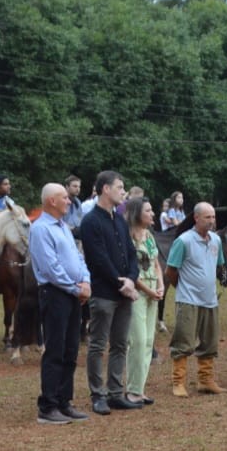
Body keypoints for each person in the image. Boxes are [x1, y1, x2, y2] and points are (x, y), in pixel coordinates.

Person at [29, 183, 91, 424]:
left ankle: (64, 401)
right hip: (55, 294)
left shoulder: (64, 227)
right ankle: (48, 405)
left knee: (70, 349)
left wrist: (85, 281)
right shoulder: (41, 229)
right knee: (55, 349)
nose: (69, 201)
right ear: (52, 201)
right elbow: (50, 268)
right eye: (64, 197)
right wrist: (75, 288)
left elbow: (78, 257)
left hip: (73, 293)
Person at [81, 170, 141, 414]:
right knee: (98, 345)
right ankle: (98, 395)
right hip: (105, 293)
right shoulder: (90, 221)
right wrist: (122, 283)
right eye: (119, 187)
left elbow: (131, 254)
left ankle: (116, 392)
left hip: (124, 292)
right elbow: (98, 260)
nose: (123, 191)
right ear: (105, 189)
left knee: (119, 344)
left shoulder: (119, 220)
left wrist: (132, 279)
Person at [166, 202, 225, 397]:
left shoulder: (216, 240)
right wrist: (182, 288)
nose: (212, 221)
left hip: (210, 300)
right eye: (207, 217)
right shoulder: (183, 241)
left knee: (210, 341)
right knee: (184, 340)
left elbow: (219, 266)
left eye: (213, 217)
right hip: (188, 300)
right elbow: (171, 271)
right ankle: (178, 382)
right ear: (196, 218)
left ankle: (205, 380)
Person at [123, 197, 163, 406]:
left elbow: (156, 264)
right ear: (138, 213)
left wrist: (161, 285)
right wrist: (149, 289)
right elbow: (131, 271)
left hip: (153, 291)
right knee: (137, 341)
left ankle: (140, 388)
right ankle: (132, 390)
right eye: (148, 211)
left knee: (148, 341)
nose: (152, 214)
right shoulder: (128, 237)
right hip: (138, 293)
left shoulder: (150, 236)